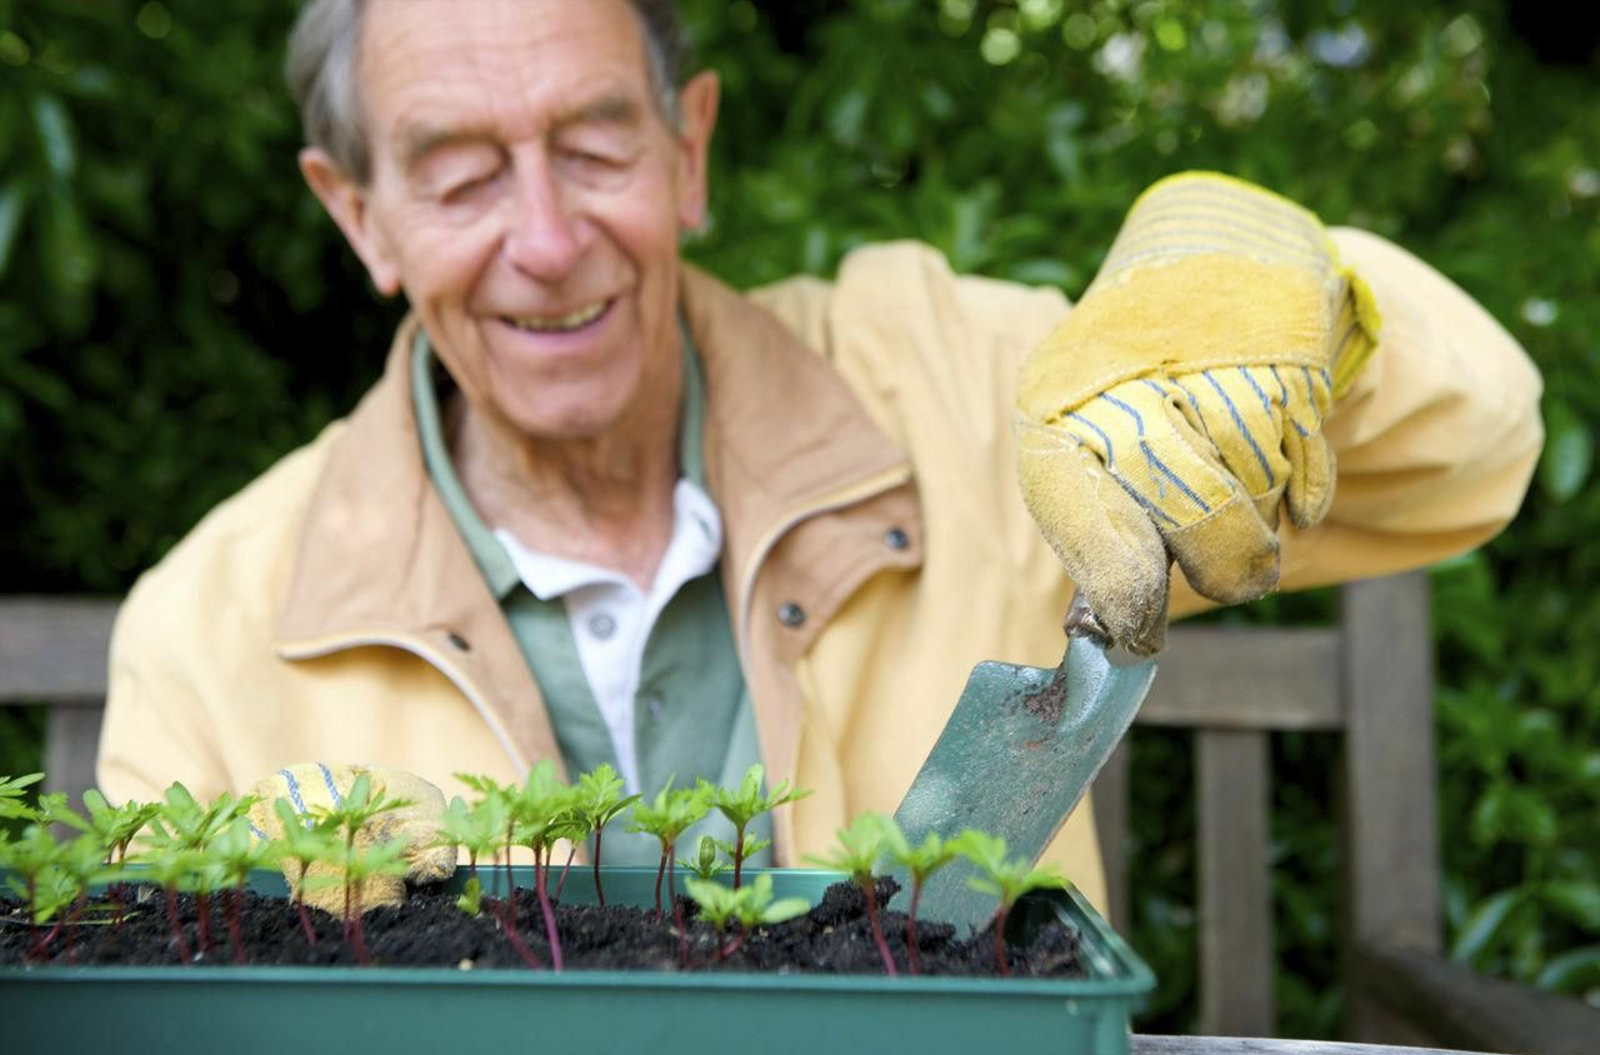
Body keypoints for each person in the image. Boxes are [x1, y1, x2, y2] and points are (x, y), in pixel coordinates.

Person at [97, 0, 1543, 912]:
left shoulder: (959, 390)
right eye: (463, 175)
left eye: (598, 149)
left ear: (691, 151)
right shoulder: (214, 623)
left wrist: (1270, 295)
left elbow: (1468, 455)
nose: (544, 242)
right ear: (360, 217)